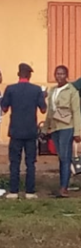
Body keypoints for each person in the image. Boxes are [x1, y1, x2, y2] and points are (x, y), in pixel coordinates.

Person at [1, 63, 47, 200]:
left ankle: (14, 191)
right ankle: (30, 191)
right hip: (31, 131)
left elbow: (3, 108)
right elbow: (43, 109)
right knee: (30, 162)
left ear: (18, 74)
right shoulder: (37, 90)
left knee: (14, 162)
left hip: (15, 131)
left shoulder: (10, 89)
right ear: (30, 75)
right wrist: (43, 96)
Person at [44, 65, 81, 198]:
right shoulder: (53, 90)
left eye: (62, 74)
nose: (59, 76)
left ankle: (64, 188)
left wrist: (77, 132)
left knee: (65, 157)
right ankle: (62, 185)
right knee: (61, 157)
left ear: (67, 75)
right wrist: (45, 128)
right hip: (55, 127)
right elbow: (50, 111)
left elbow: (76, 112)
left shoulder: (72, 91)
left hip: (67, 127)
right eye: (57, 74)